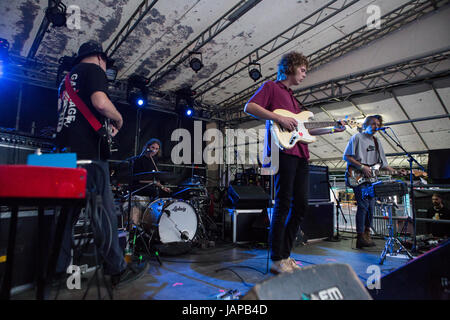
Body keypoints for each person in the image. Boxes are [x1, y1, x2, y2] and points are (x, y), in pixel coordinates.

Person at [244, 51, 346, 274]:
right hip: (283, 152)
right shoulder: (271, 87)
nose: (304, 75)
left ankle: (286, 255)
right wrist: (278, 117)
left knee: (301, 205)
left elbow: (306, 129)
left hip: (301, 155)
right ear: (290, 67)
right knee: (283, 204)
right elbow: (249, 107)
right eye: (303, 70)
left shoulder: (295, 100)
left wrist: (333, 128)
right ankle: (277, 259)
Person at [55, 40, 145, 287]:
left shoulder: (65, 81)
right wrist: (118, 119)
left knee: (64, 218)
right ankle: (117, 269)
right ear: (100, 58)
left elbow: (72, 117)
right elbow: (100, 102)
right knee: (102, 215)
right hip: (88, 158)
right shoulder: (93, 70)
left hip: (64, 157)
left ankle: (55, 270)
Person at [343, 115, 400, 249]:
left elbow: (384, 164)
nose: (376, 127)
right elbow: (346, 156)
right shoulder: (357, 137)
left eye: (378, 125)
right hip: (357, 176)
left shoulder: (377, 141)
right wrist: (362, 167)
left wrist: (397, 171)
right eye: (373, 124)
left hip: (372, 179)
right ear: (366, 124)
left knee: (370, 207)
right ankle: (360, 236)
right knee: (363, 206)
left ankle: (367, 234)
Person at [126, 138, 171, 226]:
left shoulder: (153, 161)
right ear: (147, 147)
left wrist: (162, 186)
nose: (154, 150)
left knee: (168, 194)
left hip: (150, 189)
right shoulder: (138, 160)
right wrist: (156, 183)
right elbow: (139, 179)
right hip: (140, 188)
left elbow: (156, 179)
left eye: (157, 149)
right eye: (152, 147)